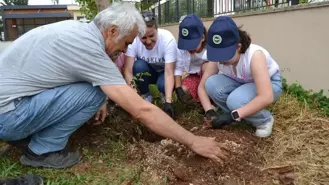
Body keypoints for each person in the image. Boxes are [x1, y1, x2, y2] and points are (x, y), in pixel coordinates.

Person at [0, 2, 227, 169]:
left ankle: (25, 133)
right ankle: (41, 151)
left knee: (97, 91)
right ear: (112, 31)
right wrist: (193, 141)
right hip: (9, 115)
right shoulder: (89, 47)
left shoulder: (77, 31)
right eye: (127, 42)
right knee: (94, 93)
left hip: (10, 105)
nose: (126, 50)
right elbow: (141, 109)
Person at [202, 16, 283, 137]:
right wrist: (209, 110)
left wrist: (233, 115)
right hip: (242, 82)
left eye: (224, 55)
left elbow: (266, 96)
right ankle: (243, 113)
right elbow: (203, 85)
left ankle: (264, 120)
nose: (220, 60)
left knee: (235, 101)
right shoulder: (218, 58)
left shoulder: (254, 56)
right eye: (217, 54)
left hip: (270, 84)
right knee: (211, 84)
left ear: (238, 47)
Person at [123, 11, 176, 118]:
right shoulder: (133, 41)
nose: (148, 41)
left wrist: (168, 101)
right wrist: (134, 95)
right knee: (138, 66)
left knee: (163, 85)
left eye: (151, 36)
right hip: (148, 71)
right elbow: (128, 70)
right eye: (143, 37)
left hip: (164, 72)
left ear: (157, 30)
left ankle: (164, 95)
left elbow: (169, 72)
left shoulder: (168, 39)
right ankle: (145, 95)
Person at [174, 14, 218, 121]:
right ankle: (197, 104)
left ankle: (212, 103)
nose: (188, 48)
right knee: (184, 90)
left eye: (192, 44)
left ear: (202, 38)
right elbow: (178, 68)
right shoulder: (181, 49)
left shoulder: (210, 48)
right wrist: (178, 87)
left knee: (206, 66)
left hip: (210, 77)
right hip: (194, 76)